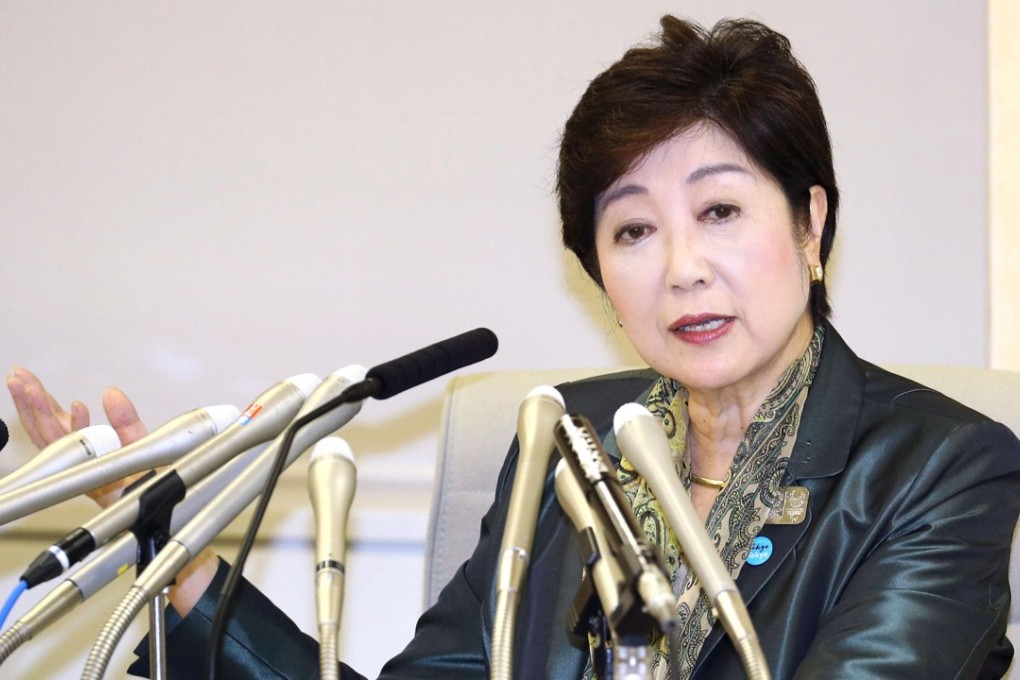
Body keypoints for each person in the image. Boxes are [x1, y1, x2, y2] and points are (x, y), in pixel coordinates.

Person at [8, 15, 1020, 679]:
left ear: (810, 223)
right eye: (633, 230)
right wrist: (178, 566)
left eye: (719, 210)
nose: (680, 267)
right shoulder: (563, 443)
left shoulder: (943, 467)